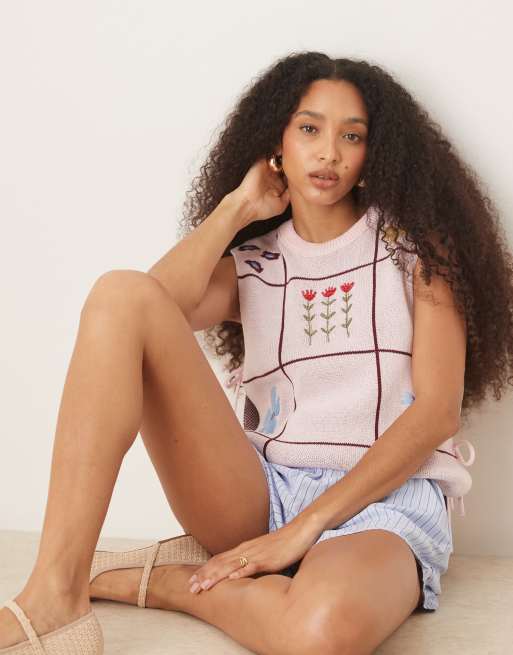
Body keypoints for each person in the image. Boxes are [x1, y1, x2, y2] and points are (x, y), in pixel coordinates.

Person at [1, 51, 512, 655]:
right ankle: (55, 593)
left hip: (384, 500)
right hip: (260, 491)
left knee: (320, 633)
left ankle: (167, 583)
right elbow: (136, 312)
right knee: (118, 293)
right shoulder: (256, 263)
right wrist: (238, 208)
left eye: (352, 136)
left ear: (374, 154)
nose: (328, 153)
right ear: (277, 144)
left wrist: (303, 529)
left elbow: (436, 413)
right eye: (309, 129)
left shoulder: (420, 251)